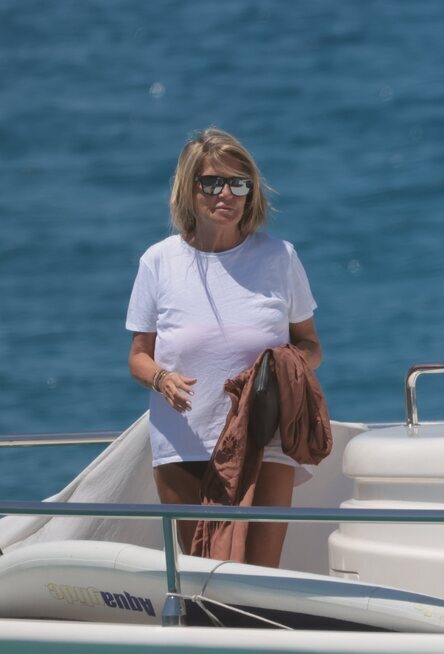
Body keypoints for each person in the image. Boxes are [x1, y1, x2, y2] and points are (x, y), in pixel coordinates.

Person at [126, 128, 322, 568]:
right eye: (212, 182)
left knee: (260, 573)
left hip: (265, 433)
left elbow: (310, 345)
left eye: (239, 183)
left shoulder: (280, 257)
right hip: (187, 437)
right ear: (188, 189)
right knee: (201, 573)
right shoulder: (159, 262)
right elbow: (139, 355)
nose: (226, 194)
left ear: (251, 192)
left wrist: (286, 364)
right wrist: (162, 378)